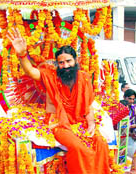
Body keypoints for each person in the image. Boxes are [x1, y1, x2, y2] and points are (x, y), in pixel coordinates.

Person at [8, 29, 110, 174]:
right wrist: (22, 54)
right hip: (58, 123)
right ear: (57, 64)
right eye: (61, 63)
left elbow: (87, 105)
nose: (65, 65)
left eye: (68, 61)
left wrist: (92, 123)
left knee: (100, 143)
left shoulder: (84, 78)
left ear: (76, 61)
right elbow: (31, 71)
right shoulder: (51, 76)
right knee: (78, 147)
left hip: (80, 121)